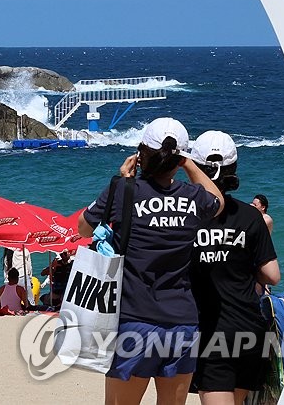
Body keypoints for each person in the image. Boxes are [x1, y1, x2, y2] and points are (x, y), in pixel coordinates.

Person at [78, 117, 224, 405]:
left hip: (135, 319)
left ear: (141, 153)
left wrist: (121, 180)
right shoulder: (192, 197)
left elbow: (84, 227)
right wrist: (188, 164)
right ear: (179, 157)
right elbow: (217, 200)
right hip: (182, 321)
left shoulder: (123, 190)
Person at [188, 130, 280, 404]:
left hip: (211, 329)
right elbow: (272, 275)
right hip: (251, 328)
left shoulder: (186, 215)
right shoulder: (252, 215)